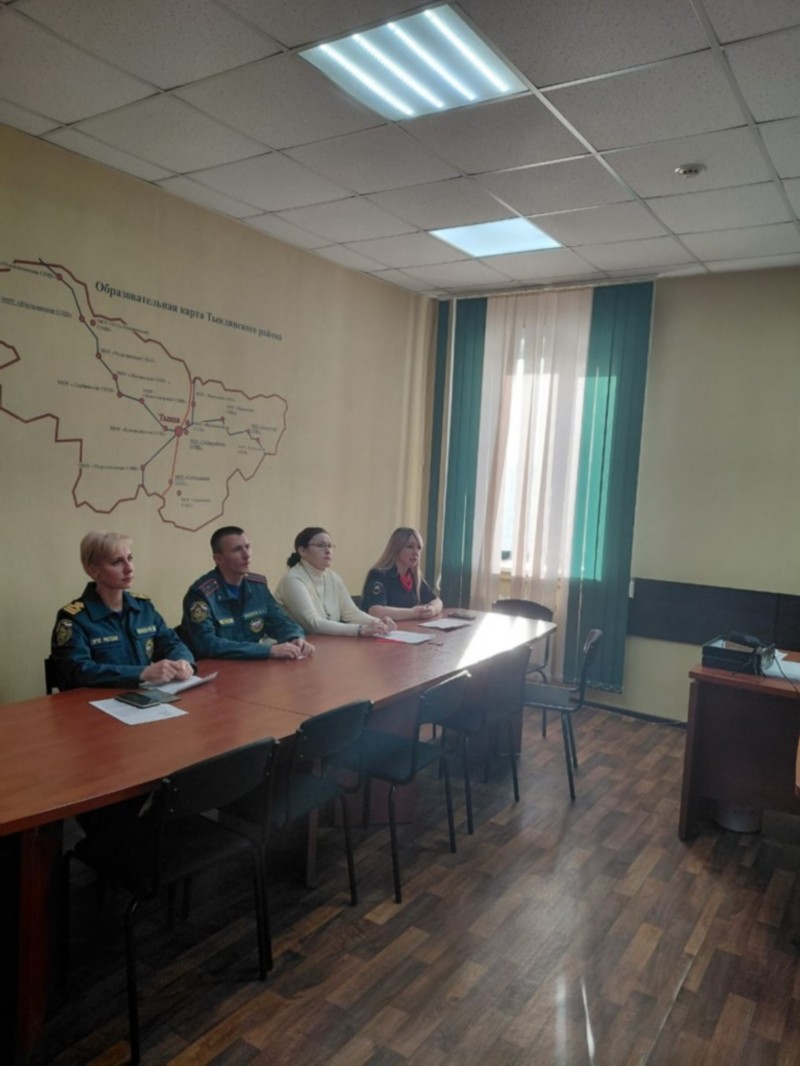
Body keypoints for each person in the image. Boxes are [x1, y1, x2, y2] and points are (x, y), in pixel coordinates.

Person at [51, 530, 195, 690]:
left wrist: (183, 662)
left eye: (130, 558)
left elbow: (171, 643)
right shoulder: (73, 618)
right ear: (93, 570)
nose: (129, 568)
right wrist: (141, 673)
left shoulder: (143, 608)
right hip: (96, 701)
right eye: (116, 562)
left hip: (144, 696)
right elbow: (77, 671)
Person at [180, 525, 315, 660]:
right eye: (237, 550)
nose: (246, 555)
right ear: (218, 559)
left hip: (250, 664)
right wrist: (267, 650)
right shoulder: (201, 594)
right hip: (213, 666)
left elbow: (281, 621)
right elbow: (207, 643)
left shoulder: (258, 586)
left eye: (247, 547)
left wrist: (295, 638)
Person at [276, 527, 396, 638]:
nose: (328, 550)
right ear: (302, 551)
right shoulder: (293, 580)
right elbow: (313, 624)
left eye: (330, 546)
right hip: (297, 645)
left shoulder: (333, 577)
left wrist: (377, 622)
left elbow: (351, 613)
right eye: (320, 545)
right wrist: (361, 629)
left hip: (327, 642)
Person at [361, 527, 444, 621]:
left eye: (419, 548)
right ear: (396, 549)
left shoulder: (414, 576)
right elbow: (376, 612)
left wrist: (433, 609)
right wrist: (414, 613)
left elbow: (437, 601)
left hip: (407, 628)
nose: (416, 553)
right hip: (382, 628)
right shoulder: (378, 574)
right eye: (410, 546)